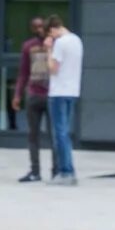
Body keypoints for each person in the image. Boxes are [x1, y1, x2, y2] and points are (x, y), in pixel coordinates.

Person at [43, 17, 84, 183]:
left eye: (50, 33)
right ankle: (70, 170)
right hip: (72, 91)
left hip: (59, 92)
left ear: (53, 29)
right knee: (64, 132)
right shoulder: (77, 40)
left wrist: (48, 50)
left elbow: (53, 68)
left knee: (59, 133)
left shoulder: (60, 43)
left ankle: (65, 172)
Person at [14, 15, 53, 183]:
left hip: (52, 95)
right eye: (36, 27)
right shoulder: (28, 46)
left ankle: (57, 170)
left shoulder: (56, 45)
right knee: (33, 135)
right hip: (34, 95)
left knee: (54, 135)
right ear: (32, 29)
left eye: (41, 26)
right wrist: (17, 94)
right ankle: (35, 171)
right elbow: (23, 72)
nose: (39, 30)